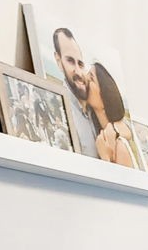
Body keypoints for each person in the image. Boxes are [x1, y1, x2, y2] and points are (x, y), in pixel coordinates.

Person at [51, 26, 98, 154]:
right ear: (58, 61)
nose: (78, 71)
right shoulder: (61, 112)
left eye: (80, 64)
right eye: (70, 61)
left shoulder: (94, 107)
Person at [86, 62, 138, 168]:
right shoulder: (94, 124)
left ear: (105, 96)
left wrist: (106, 158)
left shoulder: (120, 145)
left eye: (91, 78)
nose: (85, 79)